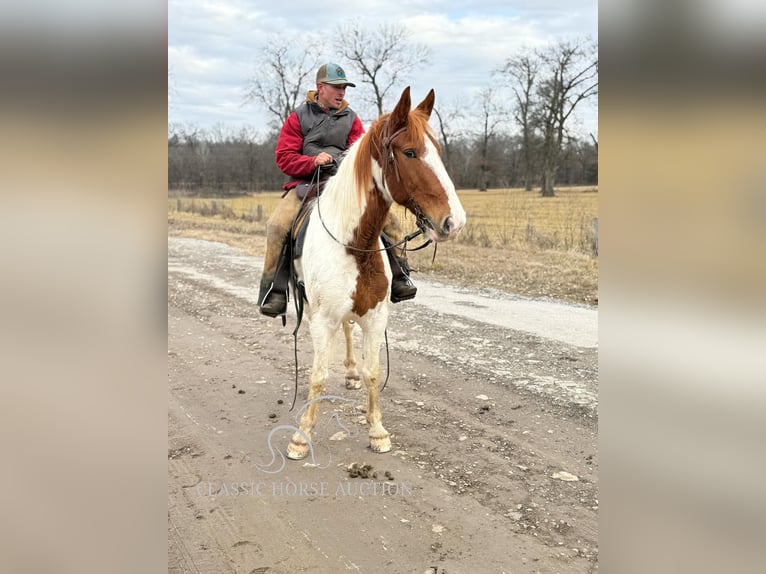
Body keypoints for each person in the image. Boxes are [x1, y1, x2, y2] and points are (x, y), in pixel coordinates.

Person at [258, 62, 417, 317]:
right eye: (336, 87)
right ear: (321, 88)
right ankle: (273, 291)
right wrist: (312, 161)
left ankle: (400, 276)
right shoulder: (298, 117)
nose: (341, 92)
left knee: (389, 220)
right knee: (277, 226)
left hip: (344, 184)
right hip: (306, 184)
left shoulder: (351, 119)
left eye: (344, 87)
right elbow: (283, 157)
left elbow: (362, 154)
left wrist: (344, 165)